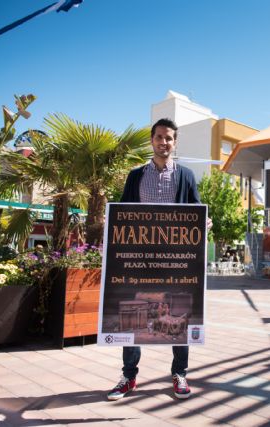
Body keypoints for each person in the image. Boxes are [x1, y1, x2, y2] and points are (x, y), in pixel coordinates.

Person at [107, 118, 211, 401]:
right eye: (159, 137)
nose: (164, 142)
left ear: (174, 143)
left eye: (169, 138)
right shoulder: (136, 176)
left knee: (181, 312)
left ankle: (180, 374)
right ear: (152, 140)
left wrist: (205, 223)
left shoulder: (186, 176)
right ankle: (128, 377)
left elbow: (195, 213)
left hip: (176, 261)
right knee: (134, 313)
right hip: (141, 260)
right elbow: (123, 215)